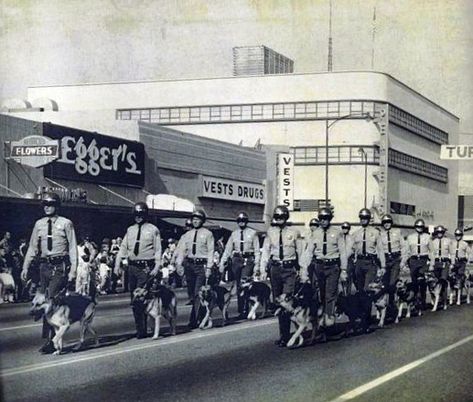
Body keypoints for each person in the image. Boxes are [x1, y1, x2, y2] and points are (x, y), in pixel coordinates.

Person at [21, 192, 78, 354]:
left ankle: (52, 341)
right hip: (44, 267)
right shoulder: (39, 224)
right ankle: (50, 340)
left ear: (57, 206)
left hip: (59, 266)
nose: (47, 207)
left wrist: (73, 270)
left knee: (51, 299)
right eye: (45, 204)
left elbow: (73, 248)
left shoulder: (66, 223)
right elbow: (33, 247)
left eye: (50, 204)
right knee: (45, 303)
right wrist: (25, 266)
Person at [114, 202, 162, 339]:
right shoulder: (130, 230)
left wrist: (157, 266)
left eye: (141, 215)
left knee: (143, 297)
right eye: (136, 215)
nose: (138, 217)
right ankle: (140, 329)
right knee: (134, 299)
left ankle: (145, 328)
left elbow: (158, 249)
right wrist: (117, 265)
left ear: (145, 215)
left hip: (146, 267)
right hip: (132, 267)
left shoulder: (153, 229)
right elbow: (123, 248)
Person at [260, 206, 302, 347]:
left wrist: (303, 270)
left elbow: (300, 252)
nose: (279, 220)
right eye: (277, 217)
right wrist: (262, 269)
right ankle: (284, 335)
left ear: (286, 217)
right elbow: (266, 252)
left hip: (289, 268)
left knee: (287, 300)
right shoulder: (270, 232)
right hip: (275, 269)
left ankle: (297, 330)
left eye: (282, 217)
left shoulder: (294, 232)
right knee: (278, 301)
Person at [300, 208, 347, 327]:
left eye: (326, 219)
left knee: (330, 294)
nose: (323, 221)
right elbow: (309, 252)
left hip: (333, 266)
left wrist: (344, 270)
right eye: (321, 219)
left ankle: (329, 317)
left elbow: (343, 252)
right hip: (319, 266)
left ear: (330, 219)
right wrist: (304, 269)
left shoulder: (337, 233)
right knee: (321, 293)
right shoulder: (315, 233)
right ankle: (323, 316)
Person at [175, 210, 215, 329]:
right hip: (190, 265)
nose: (195, 221)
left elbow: (211, 251)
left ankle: (193, 320)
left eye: (198, 219)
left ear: (202, 220)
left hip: (201, 265)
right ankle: (202, 316)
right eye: (194, 219)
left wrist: (209, 267)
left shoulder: (208, 234)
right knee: (192, 294)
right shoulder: (187, 235)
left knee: (199, 293)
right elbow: (182, 250)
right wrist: (179, 264)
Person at [219, 212, 261, 319]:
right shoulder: (234, 234)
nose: (241, 223)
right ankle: (241, 309)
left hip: (248, 259)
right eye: (239, 221)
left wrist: (257, 265)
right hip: (237, 259)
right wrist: (222, 263)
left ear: (246, 222)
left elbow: (257, 250)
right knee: (238, 285)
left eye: (243, 221)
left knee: (244, 283)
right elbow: (228, 250)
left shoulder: (253, 233)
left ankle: (246, 309)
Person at [352, 208, 386, 292]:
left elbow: (381, 250)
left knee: (368, 287)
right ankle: (362, 304)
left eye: (365, 218)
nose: (363, 220)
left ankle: (369, 304)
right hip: (359, 262)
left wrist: (383, 266)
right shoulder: (356, 233)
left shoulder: (375, 232)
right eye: (362, 218)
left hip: (370, 262)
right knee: (360, 288)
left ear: (369, 219)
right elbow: (352, 249)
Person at [402, 218, 432, 310]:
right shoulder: (410, 237)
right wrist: (403, 262)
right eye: (418, 226)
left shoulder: (427, 237)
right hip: (413, 260)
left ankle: (422, 301)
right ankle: (415, 302)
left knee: (422, 281)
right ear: (415, 227)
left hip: (423, 260)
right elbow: (406, 251)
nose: (419, 228)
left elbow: (432, 251)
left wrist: (432, 263)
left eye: (421, 227)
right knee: (414, 282)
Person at [379, 214, 406, 308]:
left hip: (395, 259)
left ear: (391, 223)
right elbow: (379, 249)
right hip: (385, 259)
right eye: (385, 223)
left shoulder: (397, 232)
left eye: (388, 222)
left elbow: (404, 247)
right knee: (384, 284)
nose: (387, 224)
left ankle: (392, 303)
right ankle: (385, 304)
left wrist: (403, 261)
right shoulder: (380, 234)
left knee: (392, 283)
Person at [172, 218, 194, 304]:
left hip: (195, 260)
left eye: (190, 226)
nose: (188, 228)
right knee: (189, 280)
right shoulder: (184, 237)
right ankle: (191, 297)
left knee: (196, 281)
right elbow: (179, 248)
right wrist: (174, 257)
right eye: (187, 227)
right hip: (187, 260)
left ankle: (197, 297)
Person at [429, 225, 451, 308]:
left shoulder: (448, 241)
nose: (440, 234)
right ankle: (438, 299)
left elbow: (452, 252)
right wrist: (431, 264)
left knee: (443, 281)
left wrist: (451, 263)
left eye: (441, 232)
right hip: (436, 263)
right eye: (438, 232)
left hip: (445, 263)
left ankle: (445, 301)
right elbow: (431, 253)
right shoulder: (433, 242)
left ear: (443, 232)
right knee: (436, 282)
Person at [449, 228, 471, 295]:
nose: (458, 236)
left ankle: (459, 294)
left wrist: (467, 259)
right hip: (453, 262)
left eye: (459, 235)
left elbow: (469, 253)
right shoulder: (452, 243)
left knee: (460, 278)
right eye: (456, 234)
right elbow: (449, 252)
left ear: (461, 235)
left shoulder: (465, 244)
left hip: (461, 262)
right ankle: (452, 294)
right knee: (452, 278)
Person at [339, 221, 354, 295]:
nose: (345, 229)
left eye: (346, 228)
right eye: (343, 228)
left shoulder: (351, 238)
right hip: (340, 260)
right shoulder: (339, 237)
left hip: (348, 260)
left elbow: (351, 249)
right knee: (341, 279)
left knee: (348, 278)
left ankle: (347, 294)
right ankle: (343, 293)